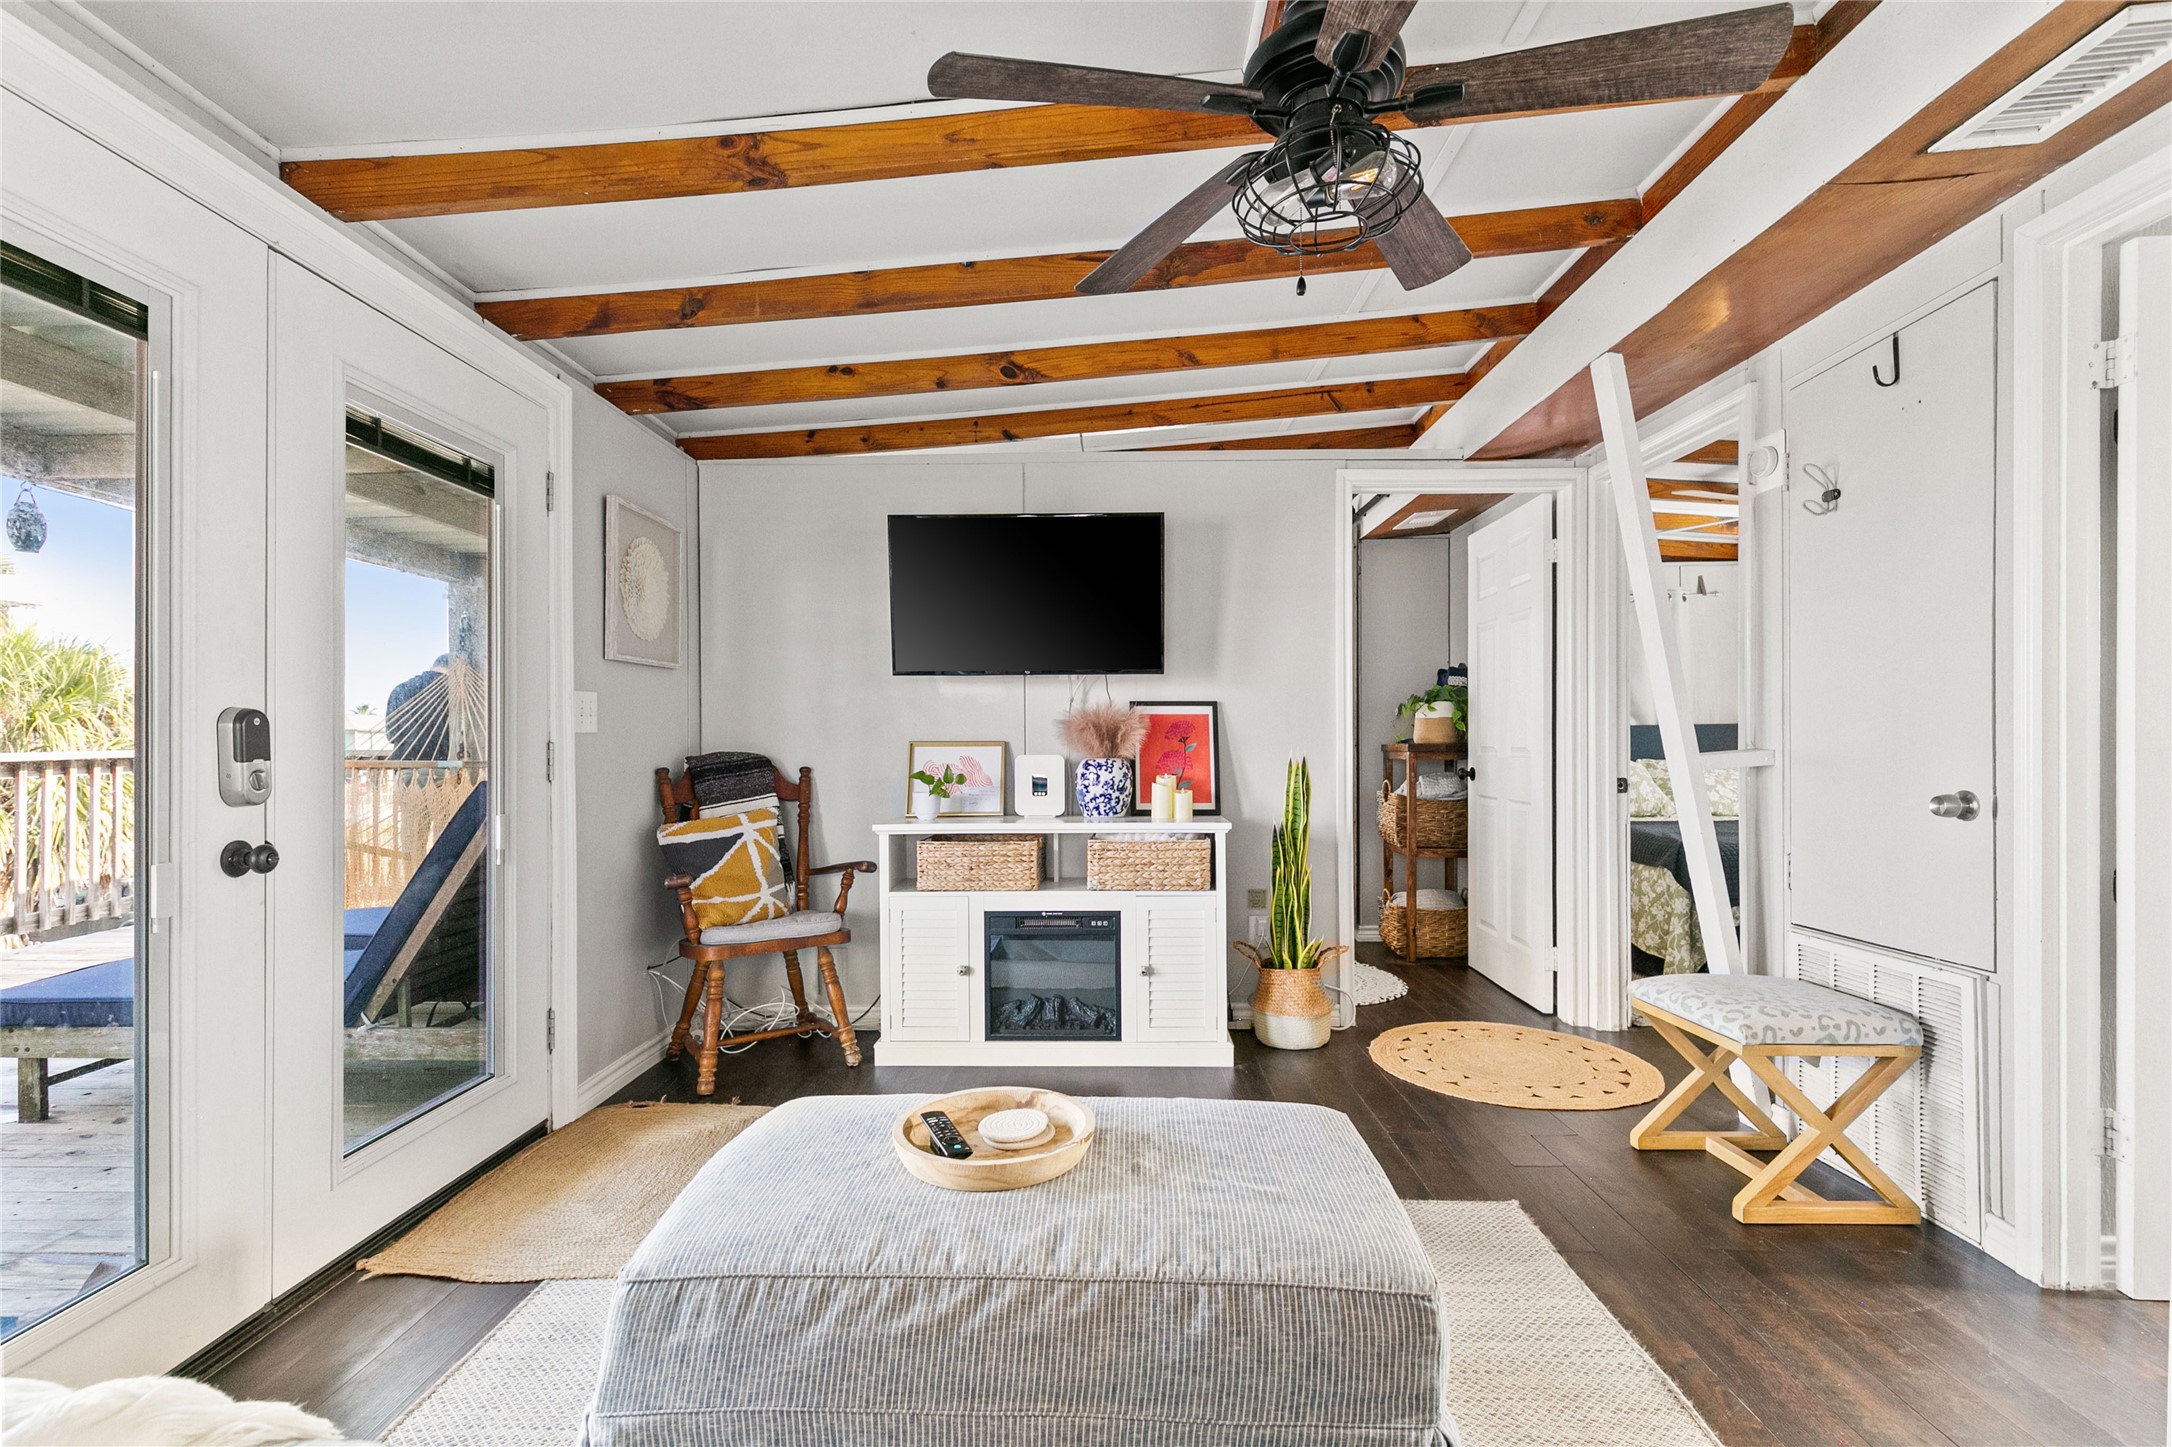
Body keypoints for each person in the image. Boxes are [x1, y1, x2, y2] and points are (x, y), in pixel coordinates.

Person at [385, 654, 450, 761]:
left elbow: (391, 735)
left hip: (404, 766)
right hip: (442, 767)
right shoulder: (454, 692)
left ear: (432, 668)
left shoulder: (400, 689)